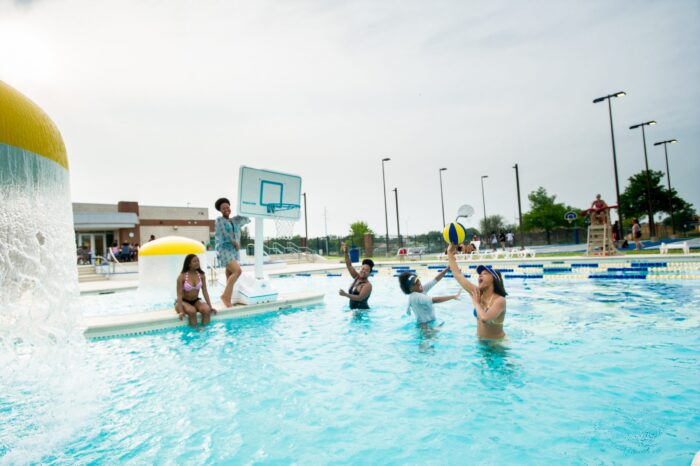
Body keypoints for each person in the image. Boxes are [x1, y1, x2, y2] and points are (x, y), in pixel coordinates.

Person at [447, 244, 507, 340]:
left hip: (497, 345)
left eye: (485, 274)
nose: (480, 276)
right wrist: (450, 253)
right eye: (479, 274)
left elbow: (485, 318)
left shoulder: (500, 300)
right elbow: (458, 274)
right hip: (480, 343)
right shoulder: (477, 293)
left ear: (494, 279)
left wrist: (476, 303)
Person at [215, 197, 251, 307]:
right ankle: (225, 297)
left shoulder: (235, 220)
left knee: (229, 275)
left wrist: (242, 208)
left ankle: (228, 299)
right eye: (223, 208)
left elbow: (246, 219)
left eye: (227, 207)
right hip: (224, 249)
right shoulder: (219, 220)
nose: (226, 209)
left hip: (234, 251)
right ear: (220, 210)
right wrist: (234, 242)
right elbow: (224, 234)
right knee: (237, 271)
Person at [175, 254, 216, 327]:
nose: (197, 263)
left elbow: (205, 292)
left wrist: (210, 306)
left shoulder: (201, 275)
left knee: (206, 310)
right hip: (183, 301)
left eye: (198, 261)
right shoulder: (182, 277)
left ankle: (204, 330)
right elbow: (179, 295)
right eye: (194, 261)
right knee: (192, 311)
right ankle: (195, 331)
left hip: (195, 300)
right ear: (189, 264)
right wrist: (181, 311)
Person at [338, 242, 373, 309]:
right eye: (363, 268)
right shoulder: (357, 277)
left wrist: (345, 294)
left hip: (362, 312)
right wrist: (346, 252)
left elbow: (360, 298)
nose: (363, 271)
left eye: (366, 270)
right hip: (354, 311)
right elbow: (349, 265)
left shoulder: (367, 285)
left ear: (369, 273)